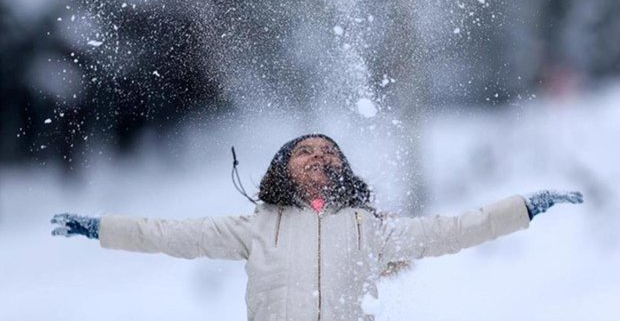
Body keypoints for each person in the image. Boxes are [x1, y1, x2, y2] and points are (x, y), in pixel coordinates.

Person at [51, 134, 583, 321]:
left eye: (329, 152)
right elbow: (166, 233)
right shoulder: (255, 227)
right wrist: (100, 227)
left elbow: (454, 230)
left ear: (343, 170)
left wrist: (524, 208)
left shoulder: (369, 229)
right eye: (304, 151)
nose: (318, 157)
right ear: (283, 168)